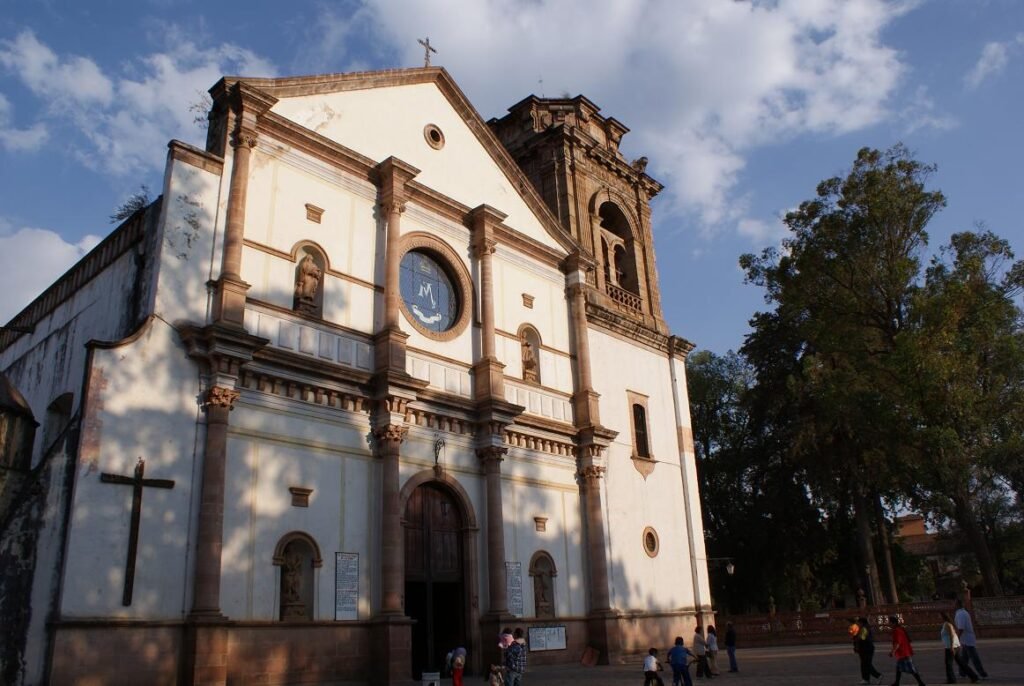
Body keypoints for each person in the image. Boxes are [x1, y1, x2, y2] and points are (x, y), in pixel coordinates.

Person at [954, 599, 988, 679]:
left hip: (967, 639)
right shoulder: (963, 613)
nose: (953, 606)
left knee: (974, 658)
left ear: (957, 605)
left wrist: (957, 639)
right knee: (964, 658)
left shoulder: (961, 614)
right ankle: (962, 673)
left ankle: (982, 674)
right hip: (966, 639)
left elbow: (961, 628)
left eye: (954, 604)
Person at [940, 612, 978, 684]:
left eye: (939, 616)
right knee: (961, 663)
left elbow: (952, 635)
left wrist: (951, 646)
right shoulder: (947, 624)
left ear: (943, 617)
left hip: (951, 647)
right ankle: (973, 676)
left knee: (948, 664)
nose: (938, 618)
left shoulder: (947, 624)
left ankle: (951, 679)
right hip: (953, 646)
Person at [889, 615, 926, 686]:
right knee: (899, 668)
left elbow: (897, 643)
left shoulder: (897, 630)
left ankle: (921, 683)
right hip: (904, 652)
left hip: (903, 653)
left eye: (890, 622)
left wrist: (892, 652)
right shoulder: (900, 629)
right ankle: (897, 682)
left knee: (911, 668)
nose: (889, 624)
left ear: (893, 623)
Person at [852, 616, 883, 685]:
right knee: (864, 664)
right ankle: (866, 679)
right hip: (864, 648)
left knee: (866, 664)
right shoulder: (864, 628)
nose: (858, 624)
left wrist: (856, 636)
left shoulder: (865, 628)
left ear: (862, 622)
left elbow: (862, 638)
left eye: (859, 623)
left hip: (867, 648)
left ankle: (878, 676)